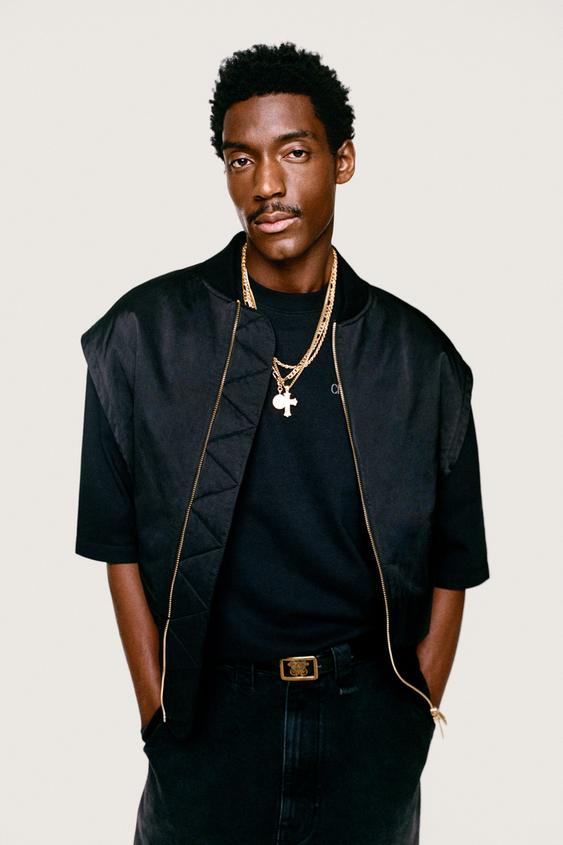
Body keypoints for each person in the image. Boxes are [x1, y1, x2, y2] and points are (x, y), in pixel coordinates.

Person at [75, 42, 489, 845]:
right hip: (207, 725)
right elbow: (114, 542)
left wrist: (412, 717)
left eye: (293, 152)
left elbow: (453, 558)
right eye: (241, 159)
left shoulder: (419, 359)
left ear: (342, 161)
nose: (265, 184)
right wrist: (158, 711)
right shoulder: (140, 339)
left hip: (366, 724)